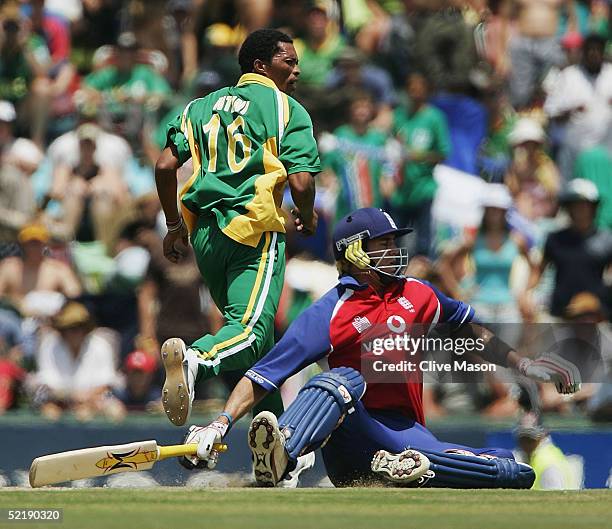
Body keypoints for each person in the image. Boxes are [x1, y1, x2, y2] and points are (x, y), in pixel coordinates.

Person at [181, 207, 580, 488]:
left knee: (514, 472)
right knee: (343, 380)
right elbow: (264, 374)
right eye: (384, 244)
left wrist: (524, 364)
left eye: (393, 242)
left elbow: (472, 331)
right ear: (355, 253)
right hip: (353, 436)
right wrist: (220, 424)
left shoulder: (420, 293)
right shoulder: (332, 309)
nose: (395, 251)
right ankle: (282, 452)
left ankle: (403, 470)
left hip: (407, 434)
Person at [154, 28, 320, 427]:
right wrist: (308, 214)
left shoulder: (199, 106)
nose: (296, 71)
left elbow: (163, 166)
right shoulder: (284, 109)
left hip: (206, 237)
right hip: (253, 229)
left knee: (259, 348)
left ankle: (279, 445)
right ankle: (194, 360)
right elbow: (301, 182)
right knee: (248, 333)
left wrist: (174, 225)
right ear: (261, 65)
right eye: (289, 62)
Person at [520, 179, 612, 321]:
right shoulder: (555, 239)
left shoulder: (606, 240)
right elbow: (538, 270)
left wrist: (598, 300)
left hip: (595, 317)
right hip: (560, 314)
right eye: (575, 206)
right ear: (568, 208)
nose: (580, 210)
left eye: (584, 205)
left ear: (593, 208)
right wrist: (526, 294)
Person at [391, 72, 451, 257]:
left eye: (419, 89)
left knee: (423, 241)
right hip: (401, 191)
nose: (415, 93)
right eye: (411, 88)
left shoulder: (435, 118)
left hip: (423, 187)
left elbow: (443, 153)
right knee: (395, 240)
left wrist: (420, 156)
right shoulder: (399, 116)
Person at [515, 413, 577, 490]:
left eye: (531, 439)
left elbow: (554, 496)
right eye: (522, 438)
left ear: (542, 435)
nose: (526, 443)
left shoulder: (548, 463)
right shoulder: (528, 456)